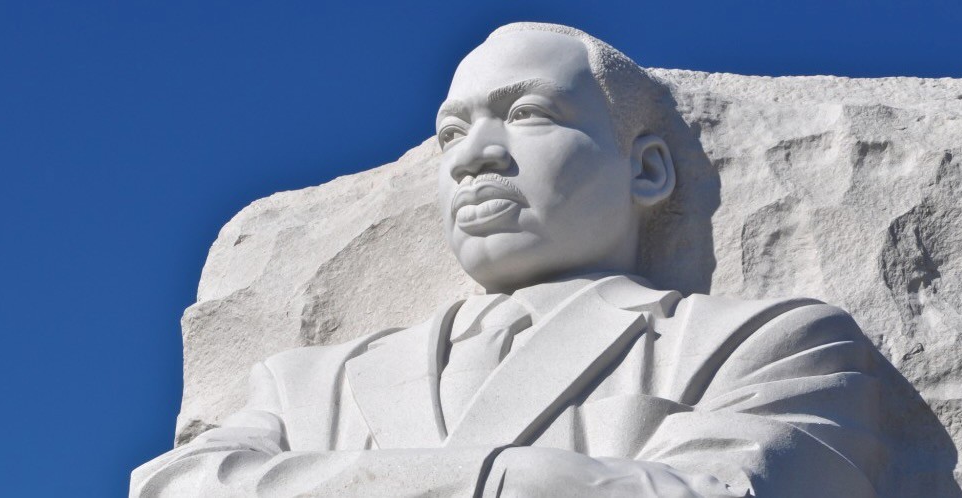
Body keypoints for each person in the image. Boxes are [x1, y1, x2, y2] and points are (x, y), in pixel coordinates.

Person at [131, 22, 886, 497]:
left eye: (528, 115)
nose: (474, 159)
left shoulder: (766, 344)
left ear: (647, 170)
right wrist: (524, 478)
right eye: (451, 134)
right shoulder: (304, 385)